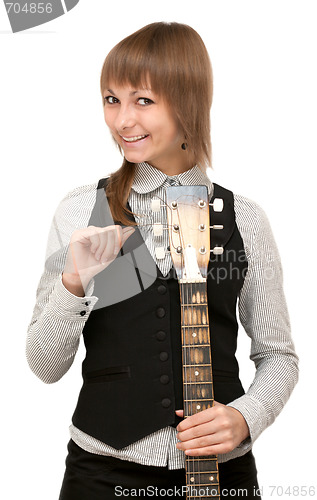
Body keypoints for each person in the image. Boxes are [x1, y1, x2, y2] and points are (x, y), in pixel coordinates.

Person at [26, 22, 299, 499]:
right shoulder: (80, 210)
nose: (121, 121)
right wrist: (72, 282)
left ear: (188, 102)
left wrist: (245, 417)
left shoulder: (245, 219)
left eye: (143, 101)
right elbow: (44, 365)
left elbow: (278, 356)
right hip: (103, 476)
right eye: (111, 99)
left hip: (222, 476)